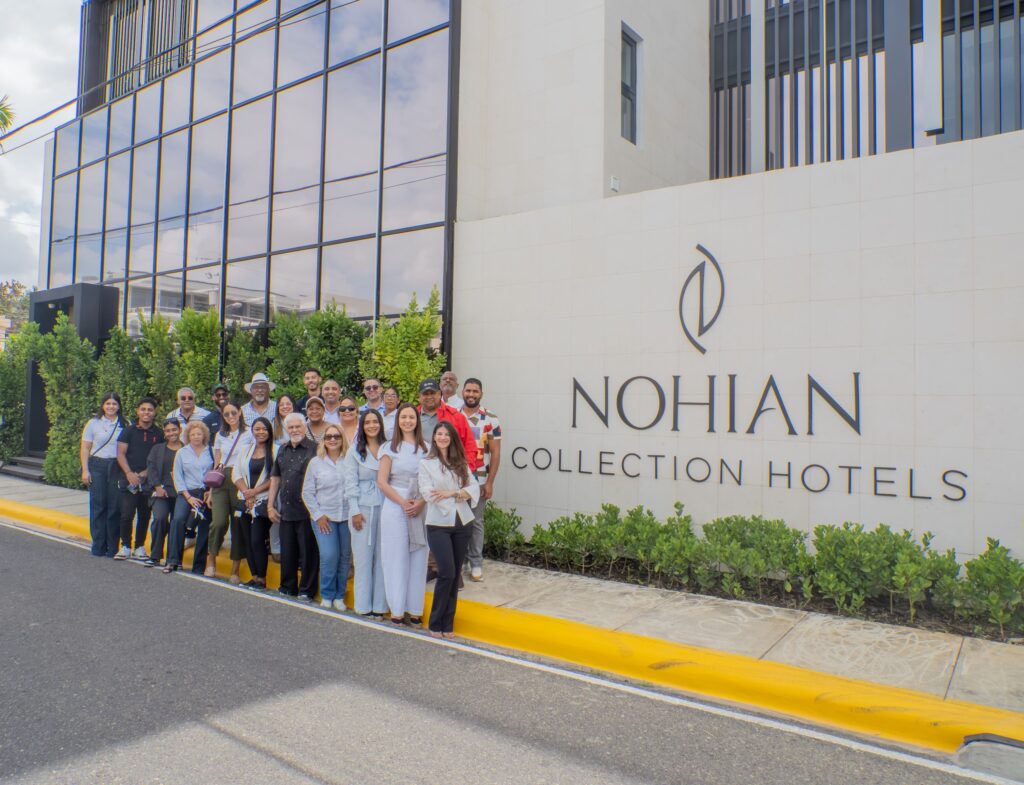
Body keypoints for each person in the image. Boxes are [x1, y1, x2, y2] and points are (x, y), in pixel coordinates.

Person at [419, 421, 479, 638]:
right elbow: (429, 494)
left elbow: (474, 488)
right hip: (438, 524)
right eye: (439, 433)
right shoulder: (426, 464)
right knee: (446, 572)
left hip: (462, 523)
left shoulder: (460, 462)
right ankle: (436, 622)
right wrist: (459, 493)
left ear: (452, 438)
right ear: (434, 438)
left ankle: (448, 622)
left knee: (455, 575)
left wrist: (452, 493)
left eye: (447, 434)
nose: (443, 437)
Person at [377, 403, 428, 625]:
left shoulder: (427, 448)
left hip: (420, 503)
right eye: (403, 417)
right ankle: (397, 609)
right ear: (398, 421)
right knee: (395, 558)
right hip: (395, 504)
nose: (408, 421)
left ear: (417, 421)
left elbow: (432, 480)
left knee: (419, 557)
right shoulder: (389, 448)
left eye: (411, 417)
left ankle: (415, 609)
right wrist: (403, 503)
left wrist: (420, 502)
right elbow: (382, 481)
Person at [268, 412, 319, 599]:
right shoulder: (282, 449)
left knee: (308, 553)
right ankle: (287, 587)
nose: (295, 430)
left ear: (305, 428)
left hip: (308, 510)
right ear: (286, 429)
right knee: (288, 551)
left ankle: (306, 591)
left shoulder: (315, 449)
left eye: (298, 426)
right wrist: (270, 505)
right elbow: (275, 478)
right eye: (291, 427)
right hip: (286, 509)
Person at [302, 423, 351, 611]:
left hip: (346, 516)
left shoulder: (350, 460)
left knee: (344, 557)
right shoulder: (316, 462)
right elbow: (307, 492)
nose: (332, 440)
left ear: (342, 439)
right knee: (329, 556)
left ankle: (339, 595)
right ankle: (328, 594)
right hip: (324, 518)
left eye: (336, 436)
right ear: (323, 440)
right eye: (328, 437)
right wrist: (318, 515)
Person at [345, 410, 388, 617]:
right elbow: (350, 482)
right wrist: (354, 510)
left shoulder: (388, 448)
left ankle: (380, 606)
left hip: (386, 506)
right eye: (367, 422)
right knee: (362, 559)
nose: (372, 425)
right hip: (362, 508)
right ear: (362, 426)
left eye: (375, 422)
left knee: (382, 559)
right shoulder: (354, 450)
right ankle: (363, 605)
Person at [460, 378, 502, 582]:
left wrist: (490, 482)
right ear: (462, 392)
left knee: (476, 522)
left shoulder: (491, 419)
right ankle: (460, 561)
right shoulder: (454, 415)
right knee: (457, 521)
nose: (471, 394)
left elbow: (495, 453)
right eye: (468, 390)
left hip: (479, 479)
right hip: (456, 480)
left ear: (481, 394)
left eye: (475, 391)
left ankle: (476, 563)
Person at [207, 401, 252, 581]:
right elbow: (217, 461)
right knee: (218, 522)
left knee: (238, 523)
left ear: (240, 412)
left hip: (240, 478)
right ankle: (211, 561)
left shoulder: (249, 433)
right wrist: (211, 491)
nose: (231, 416)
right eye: (226, 414)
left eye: (233, 412)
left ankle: (235, 570)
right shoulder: (220, 434)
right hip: (222, 478)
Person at [114, 396, 163, 560]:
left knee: (144, 514)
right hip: (129, 480)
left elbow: (159, 458)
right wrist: (129, 473)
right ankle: (125, 546)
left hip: (148, 481)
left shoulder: (159, 433)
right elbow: (120, 453)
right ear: (138, 411)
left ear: (154, 412)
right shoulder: (129, 431)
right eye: (143, 409)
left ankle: (139, 546)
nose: (146, 412)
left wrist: (145, 473)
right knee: (126, 515)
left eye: (150, 409)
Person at [232, 416, 276, 590]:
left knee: (257, 539)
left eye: (264, 429)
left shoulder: (275, 450)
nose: (261, 432)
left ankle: (262, 579)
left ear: (270, 431)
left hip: (263, 500)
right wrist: (247, 493)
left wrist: (255, 492)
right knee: (248, 540)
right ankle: (254, 576)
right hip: (245, 500)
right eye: (257, 429)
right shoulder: (245, 450)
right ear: (252, 431)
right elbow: (236, 474)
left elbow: (275, 478)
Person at [80, 393, 127, 558]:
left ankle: (112, 547)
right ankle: (98, 546)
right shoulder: (93, 423)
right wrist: (85, 470)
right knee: (98, 506)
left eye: (114, 404)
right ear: (103, 406)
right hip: (97, 465)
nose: (111, 407)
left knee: (115, 508)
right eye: (108, 403)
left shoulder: (125, 424)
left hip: (116, 467)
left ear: (119, 406)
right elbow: (85, 448)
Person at [165, 421, 214, 574]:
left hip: (205, 493)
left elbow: (216, 472)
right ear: (188, 436)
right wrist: (188, 497)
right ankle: (173, 561)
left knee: (205, 526)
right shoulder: (182, 452)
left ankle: (198, 567)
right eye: (193, 434)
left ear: (204, 435)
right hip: (187, 493)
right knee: (178, 520)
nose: (196, 437)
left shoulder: (211, 451)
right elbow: (177, 476)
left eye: (199, 434)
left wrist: (210, 491)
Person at [144, 418, 181, 567]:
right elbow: (151, 469)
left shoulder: (186, 449)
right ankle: (155, 555)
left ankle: (174, 559)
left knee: (177, 523)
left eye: (174, 429)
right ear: (164, 433)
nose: (171, 433)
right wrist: (157, 487)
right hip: (161, 492)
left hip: (181, 494)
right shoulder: (157, 449)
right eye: (168, 431)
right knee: (159, 518)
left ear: (180, 430)